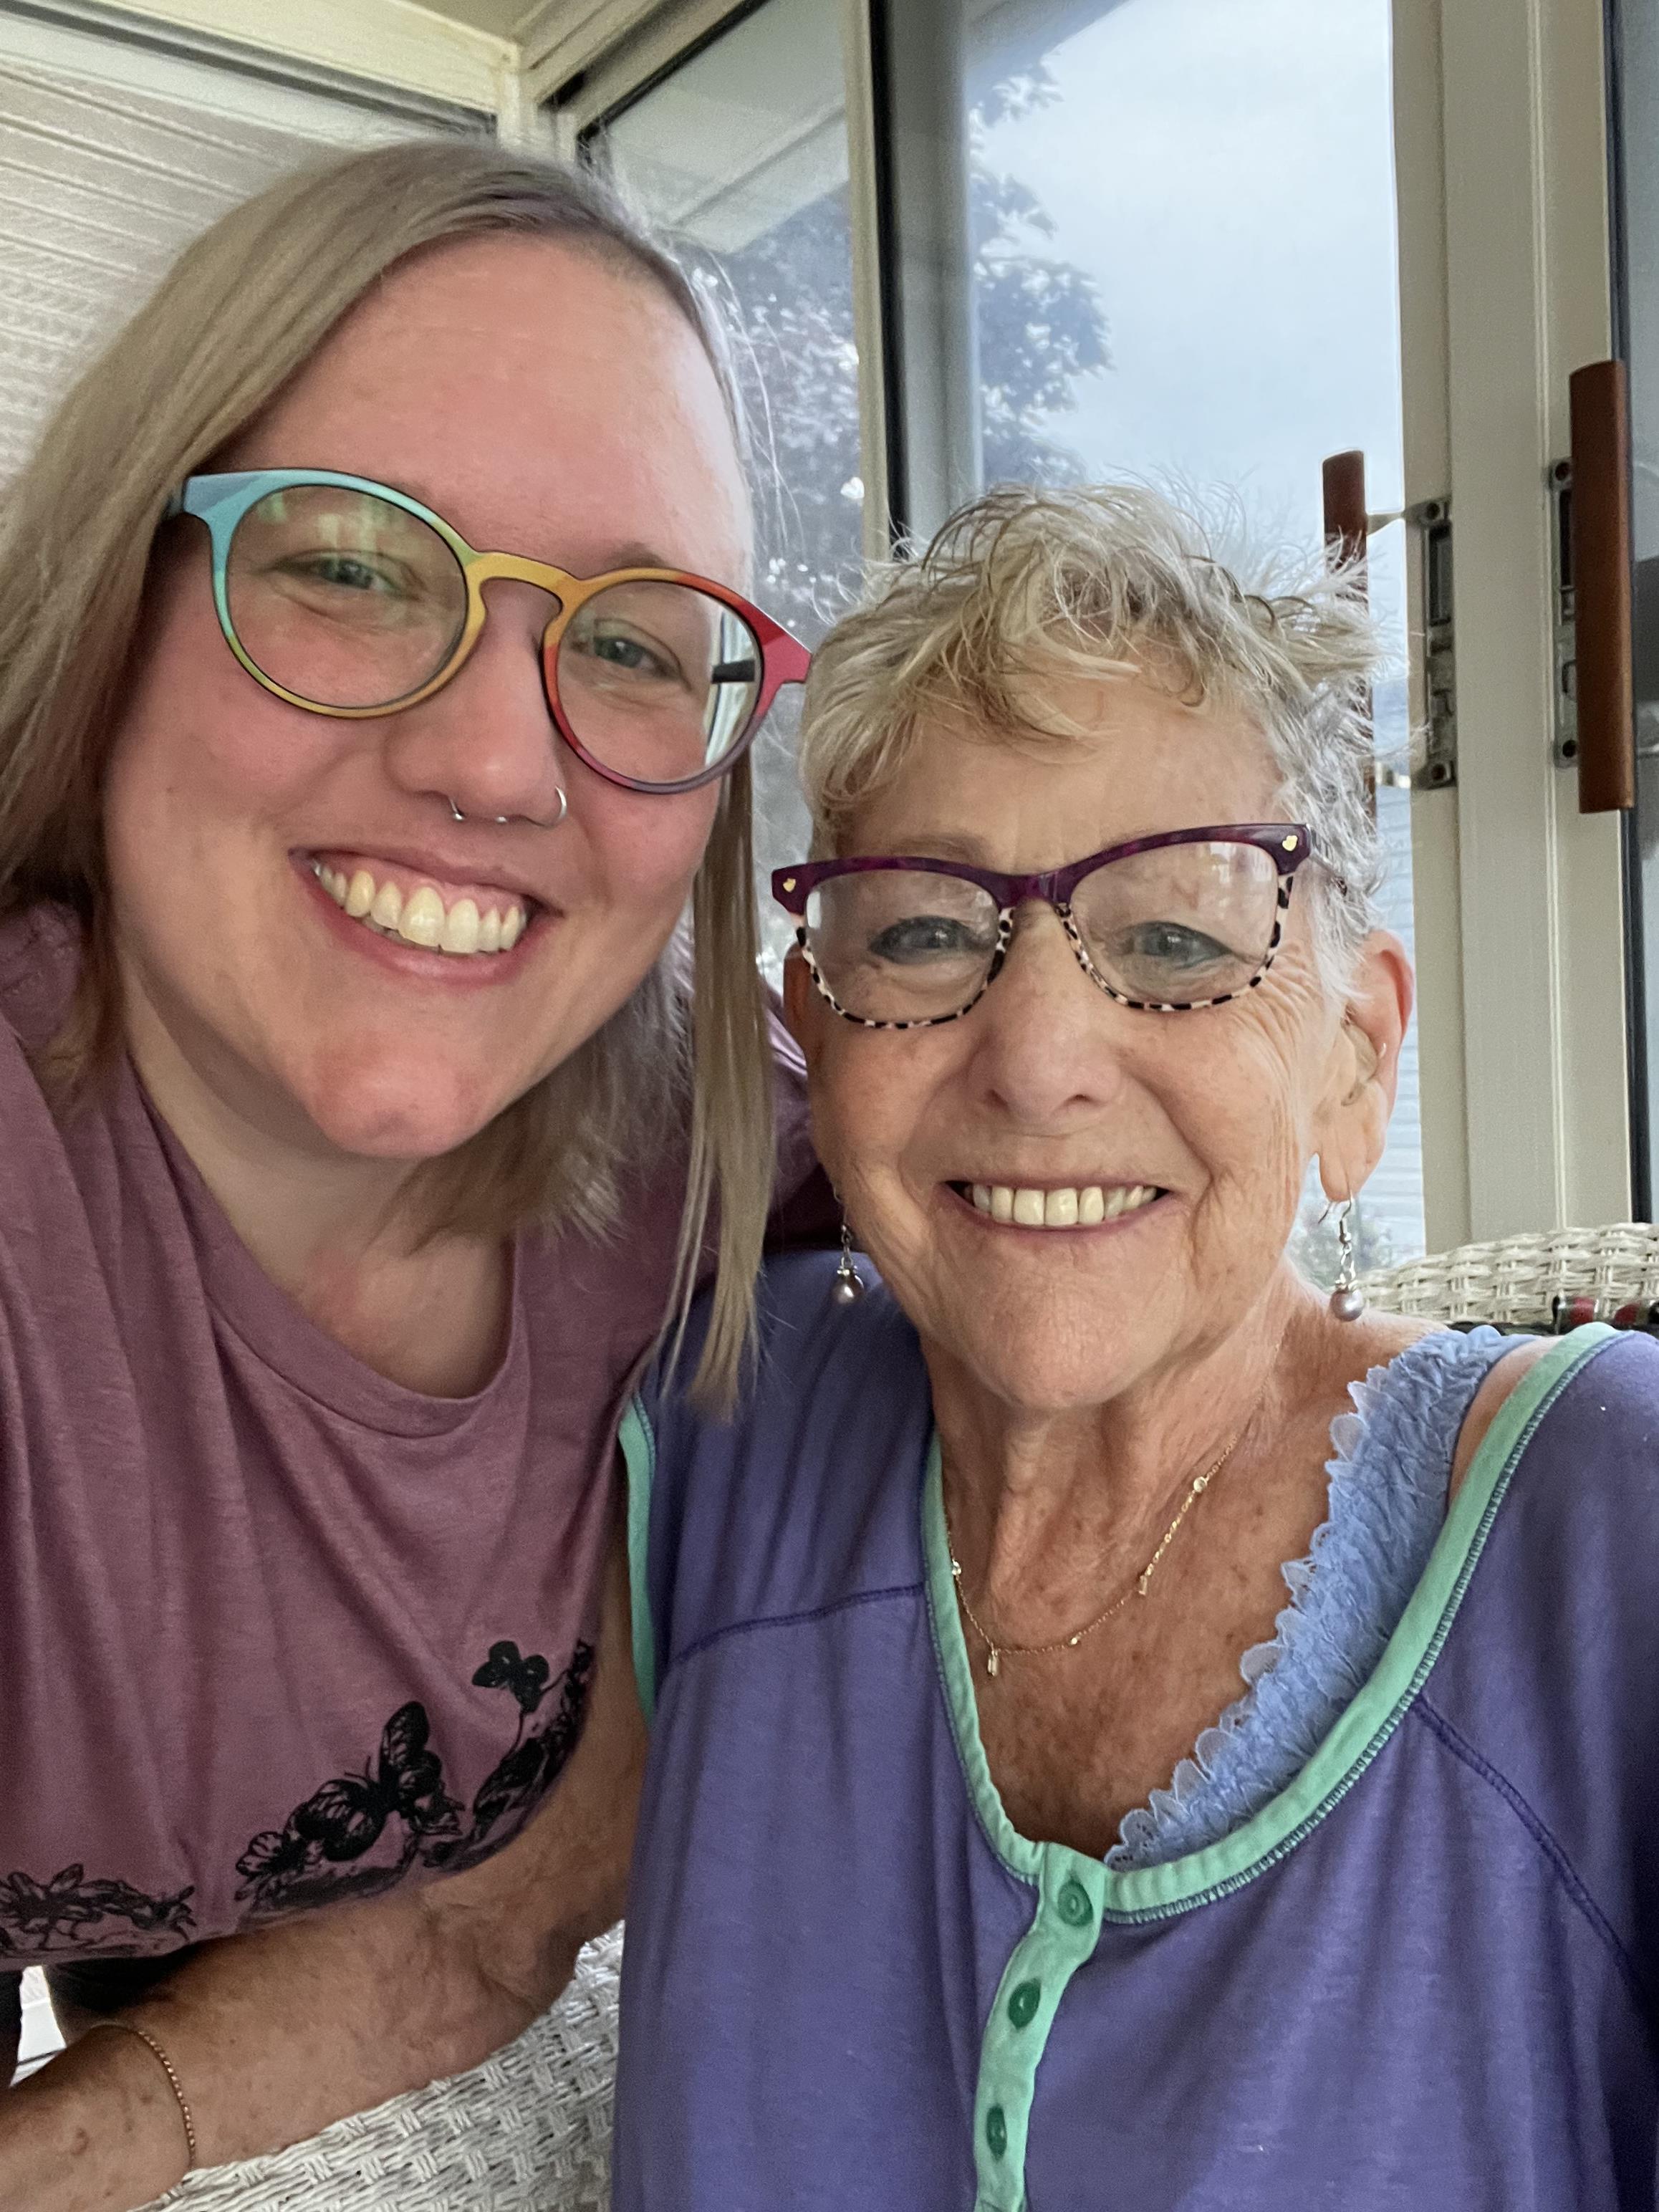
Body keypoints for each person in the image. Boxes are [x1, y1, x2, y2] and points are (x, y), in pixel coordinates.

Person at [614, 485, 1659, 2208]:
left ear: (1355, 1057)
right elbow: (460, 1939)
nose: (1034, 1056)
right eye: (928, 928)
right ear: (818, 1032)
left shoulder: (1601, 1525)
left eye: (1174, 937)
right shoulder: (729, 1418)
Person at [0, 137, 823, 2206]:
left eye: (635, 639)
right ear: (121, 588)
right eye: (354, 565)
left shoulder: (746, 1205)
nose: (490, 760)